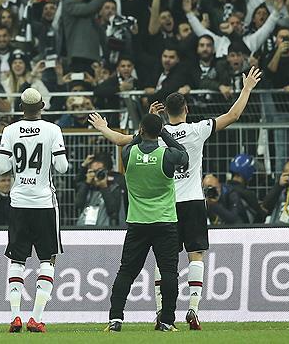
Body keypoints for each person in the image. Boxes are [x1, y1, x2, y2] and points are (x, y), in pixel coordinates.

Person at [91, 65, 262, 328]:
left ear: (164, 113)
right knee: (196, 254)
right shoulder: (198, 129)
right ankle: (193, 308)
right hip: (192, 201)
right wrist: (247, 88)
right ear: (186, 109)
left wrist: (103, 127)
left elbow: (121, 140)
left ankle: (161, 310)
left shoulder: (155, 137)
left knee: (164, 262)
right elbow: (233, 114)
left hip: (166, 206)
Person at [91, 113, 188, 333]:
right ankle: (167, 321)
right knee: (169, 273)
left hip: (137, 223)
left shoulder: (128, 153)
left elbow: (129, 141)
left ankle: (115, 319)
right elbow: (183, 155)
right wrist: (164, 133)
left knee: (126, 272)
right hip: (165, 222)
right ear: (159, 132)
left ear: (142, 130)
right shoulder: (167, 155)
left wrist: (141, 132)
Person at [0, 88, 69, 333]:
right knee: (47, 259)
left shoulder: (10, 130)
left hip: (18, 202)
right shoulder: (53, 130)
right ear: (42, 106)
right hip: (44, 203)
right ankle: (36, 318)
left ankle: (15, 316)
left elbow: (1, 167)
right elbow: (62, 167)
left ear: (20, 107)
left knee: (17, 260)